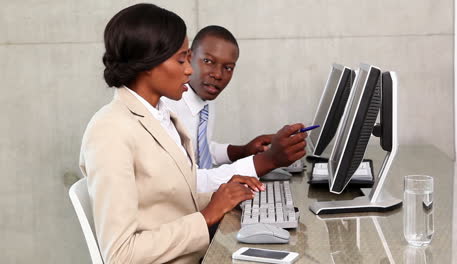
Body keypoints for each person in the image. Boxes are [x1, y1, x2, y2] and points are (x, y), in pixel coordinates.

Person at [79, 4, 263, 263]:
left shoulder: (164, 116)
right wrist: (208, 214)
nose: (189, 70)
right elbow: (120, 255)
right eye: (181, 60)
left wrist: (223, 193)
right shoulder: (109, 131)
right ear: (148, 63)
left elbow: (171, 199)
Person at [163, 26, 308, 192]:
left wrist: (243, 150)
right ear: (189, 57)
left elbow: (198, 151)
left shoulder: (206, 98)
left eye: (228, 68)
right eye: (208, 61)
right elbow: (187, 181)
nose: (218, 75)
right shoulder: (169, 107)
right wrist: (268, 160)